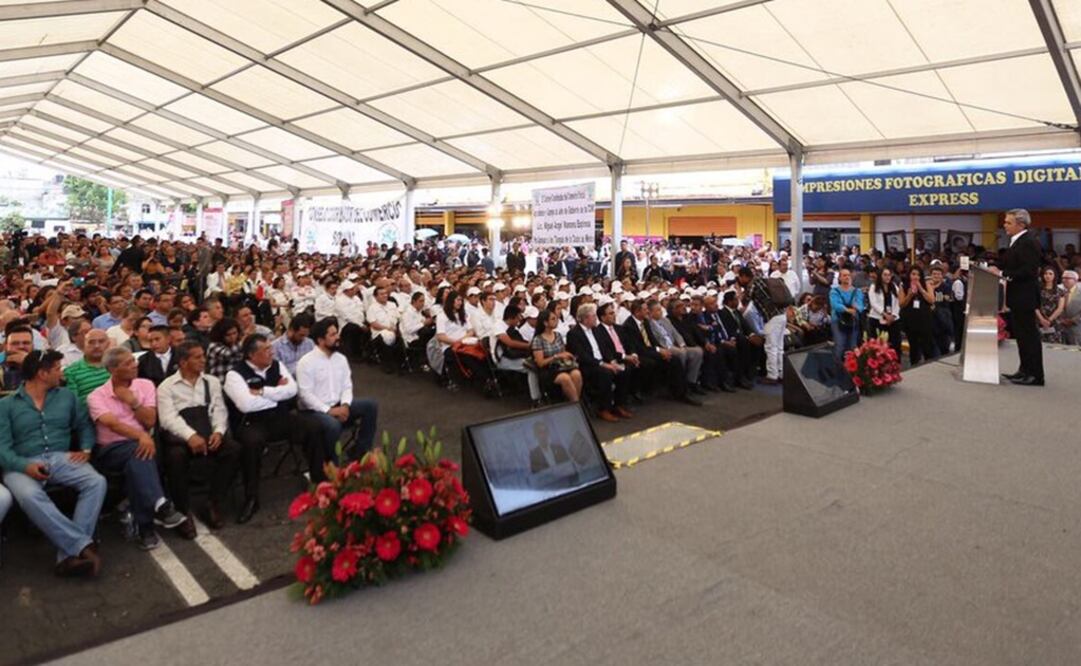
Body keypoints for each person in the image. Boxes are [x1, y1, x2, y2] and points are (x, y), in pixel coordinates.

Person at [0, 350, 106, 577]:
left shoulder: (67, 396)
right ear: (42, 374)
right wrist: (24, 466)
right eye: (57, 368)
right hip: (21, 462)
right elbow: (2, 448)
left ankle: (68, 556)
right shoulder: (6, 405)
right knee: (30, 496)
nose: (62, 372)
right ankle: (83, 546)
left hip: (61, 457)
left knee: (96, 482)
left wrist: (86, 449)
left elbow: (85, 425)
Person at [87, 347, 187, 550]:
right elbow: (112, 424)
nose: (135, 365)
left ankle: (147, 526)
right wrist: (141, 435)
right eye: (128, 363)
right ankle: (159, 504)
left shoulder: (145, 385)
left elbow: (149, 421)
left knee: (137, 463)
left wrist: (132, 402)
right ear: (113, 369)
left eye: (134, 360)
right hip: (111, 449)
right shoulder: (96, 396)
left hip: (141, 447)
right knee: (139, 452)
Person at [224, 334, 321, 522]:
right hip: (250, 422)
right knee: (252, 443)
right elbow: (245, 405)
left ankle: (318, 482)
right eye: (266, 349)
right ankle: (251, 497)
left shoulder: (276, 365)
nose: (272, 352)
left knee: (313, 428)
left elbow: (292, 390)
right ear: (252, 355)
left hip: (278, 418)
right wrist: (277, 395)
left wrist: (262, 392)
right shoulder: (234, 375)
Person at [158, 341, 241, 535]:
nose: (203, 360)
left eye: (203, 356)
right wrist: (190, 436)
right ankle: (183, 510)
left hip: (207, 431)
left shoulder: (210, 382)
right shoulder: (166, 387)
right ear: (183, 362)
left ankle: (213, 502)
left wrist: (219, 431)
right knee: (175, 457)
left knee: (233, 449)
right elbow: (168, 418)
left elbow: (219, 409)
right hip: (181, 437)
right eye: (197, 357)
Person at [296, 319, 379, 476]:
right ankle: (331, 466)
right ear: (321, 340)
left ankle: (360, 452)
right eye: (333, 335)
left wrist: (346, 405)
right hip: (315, 411)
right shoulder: (306, 362)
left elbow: (347, 386)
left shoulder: (340, 359)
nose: (337, 337)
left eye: (337, 333)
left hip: (340, 405)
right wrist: (329, 410)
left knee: (370, 405)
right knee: (332, 425)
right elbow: (305, 395)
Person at [997, 209, 1044, 385]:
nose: (1005, 225)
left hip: (1025, 296)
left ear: (1021, 224)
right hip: (1017, 296)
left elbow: (1028, 270)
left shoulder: (1028, 242)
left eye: (1008, 222)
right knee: (1022, 336)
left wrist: (1002, 273)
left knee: (1029, 336)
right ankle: (1024, 370)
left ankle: (1035, 374)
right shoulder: (1017, 241)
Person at [566, 303, 631, 422]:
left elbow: (605, 348)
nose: (596, 318)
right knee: (605, 374)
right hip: (589, 365)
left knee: (623, 370)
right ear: (585, 318)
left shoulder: (596, 330)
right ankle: (603, 409)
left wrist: (612, 361)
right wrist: (602, 364)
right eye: (594, 316)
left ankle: (619, 404)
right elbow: (582, 356)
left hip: (603, 361)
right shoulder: (574, 334)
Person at [736, 266, 788, 384]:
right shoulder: (763, 280)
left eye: (740, 277)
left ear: (744, 276)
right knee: (779, 347)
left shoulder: (753, 284)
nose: (739, 280)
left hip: (772, 318)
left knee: (770, 347)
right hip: (781, 315)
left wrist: (740, 292)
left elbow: (746, 301)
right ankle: (781, 373)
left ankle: (772, 376)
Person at [530, 309, 582, 403]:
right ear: (545, 323)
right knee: (565, 378)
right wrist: (556, 356)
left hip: (561, 365)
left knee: (576, 374)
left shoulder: (557, 335)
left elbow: (563, 352)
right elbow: (540, 363)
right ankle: (576, 404)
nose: (556, 320)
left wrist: (567, 356)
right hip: (548, 369)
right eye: (553, 319)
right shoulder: (538, 340)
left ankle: (572, 402)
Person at [900, 267, 936, 366]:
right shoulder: (903, 285)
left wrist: (921, 288)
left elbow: (931, 300)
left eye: (918, 275)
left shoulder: (926, 284)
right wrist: (909, 295)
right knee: (914, 346)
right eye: (913, 274)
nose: (916, 277)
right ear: (909, 275)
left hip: (924, 319)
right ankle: (914, 364)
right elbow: (901, 304)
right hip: (910, 319)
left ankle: (929, 364)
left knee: (927, 345)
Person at [829, 268, 865, 366]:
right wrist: (847, 309)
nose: (847, 277)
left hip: (853, 321)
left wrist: (856, 307)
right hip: (838, 320)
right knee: (840, 345)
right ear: (840, 278)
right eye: (844, 275)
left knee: (852, 345)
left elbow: (861, 305)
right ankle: (836, 368)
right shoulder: (834, 291)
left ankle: (851, 369)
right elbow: (835, 304)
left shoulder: (857, 291)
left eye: (848, 275)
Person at [63, 328, 111, 402]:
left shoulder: (119, 366)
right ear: (83, 345)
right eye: (91, 342)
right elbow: (74, 403)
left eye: (101, 341)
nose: (96, 346)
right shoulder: (71, 372)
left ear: (108, 344)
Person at [868, 268, 902, 359]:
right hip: (877, 318)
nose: (887, 277)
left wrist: (894, 315)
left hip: (893, 319)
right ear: (880, 276)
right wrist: (884, 314)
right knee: (879, 345)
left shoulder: (894, 286)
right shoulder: (874, 287)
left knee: (895, 344)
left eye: (889, 275)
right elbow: (873, 303)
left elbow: (899, 301)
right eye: (885, 275)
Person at [271, 313, 314, 377]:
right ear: (291, 330)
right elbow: (277, 372)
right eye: (301, 335)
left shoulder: (309, 343)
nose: (303, 338)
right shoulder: (276, 346)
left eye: (305, 335)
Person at [206, 317, 242, 383]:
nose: (232, 337)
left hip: (237, 382)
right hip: (221, 383)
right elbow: (227, 354)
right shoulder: (214, 346)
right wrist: (243, 342)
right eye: (228, 335)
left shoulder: (238, 345)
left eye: (234, 333)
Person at [1037, 266, 1065, 344]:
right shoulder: (1038, 290)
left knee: (1054, 345)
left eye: (1050, 274)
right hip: (1039, 319)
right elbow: (1034, 306)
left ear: (1054, 275)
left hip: (1054, 321)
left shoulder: (1060, 291)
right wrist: (1042, 319)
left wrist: (1049, 320)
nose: (1048, 276)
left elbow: (1060, 308)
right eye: (1045, 273)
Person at [1059, 270, 1081, 345]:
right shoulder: (1059, 291)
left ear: (1075, 280)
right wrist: (1061, 320)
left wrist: (1073, 321)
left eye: (1067, 278)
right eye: (1063, 278)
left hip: (1076, 328)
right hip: (1060, 328)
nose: (1064, 280)